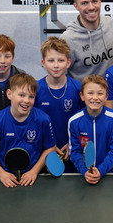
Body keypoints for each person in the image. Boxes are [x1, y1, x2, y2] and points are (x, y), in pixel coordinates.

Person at [0, 73, 57, 188]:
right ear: (9, 94)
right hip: (6, 179)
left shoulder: (43, 119)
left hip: (33, 178)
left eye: (31, 96)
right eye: (21, 95)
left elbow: (51, 147)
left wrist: (34, 171)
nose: (26, 100)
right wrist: (1, 173)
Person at [34, 37, 83, 170]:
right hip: (44, 152)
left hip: (73, 151)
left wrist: (72, 143)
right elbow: (33, 123)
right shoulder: (35, 90)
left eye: (61, 60)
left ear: (68, 63)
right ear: (43, 63)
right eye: (51, 61)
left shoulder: (78, 88)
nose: (56, 65)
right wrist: (48, 147)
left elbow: (85, 121)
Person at [68, 75, 113, 184]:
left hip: (109, 176)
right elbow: (74, 152)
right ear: (82, 96)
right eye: (90, 93)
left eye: (100, 93)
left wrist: (101, 170)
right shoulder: (74, 121)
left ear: (106, 97)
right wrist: (85, 171)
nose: (95, 97)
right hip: (83, 177)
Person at [61, 0, 113, 80]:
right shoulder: (68, 39)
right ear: (76, 6)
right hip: (82, 89)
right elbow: (62, 76)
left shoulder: (111, 24)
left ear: (100, 2)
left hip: (111, 87)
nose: (91, 7)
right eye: (84, 3)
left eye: (94, 1)